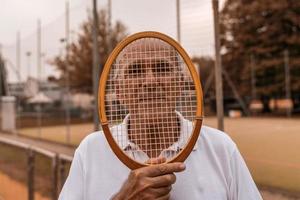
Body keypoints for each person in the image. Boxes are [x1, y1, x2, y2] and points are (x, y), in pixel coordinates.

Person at [59, 38, 262, 200]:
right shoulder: (90, 150)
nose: (150, 81)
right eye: (135, 71)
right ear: (119, 90)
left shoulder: (221, 148)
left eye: (162, 68)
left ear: (181, 84)